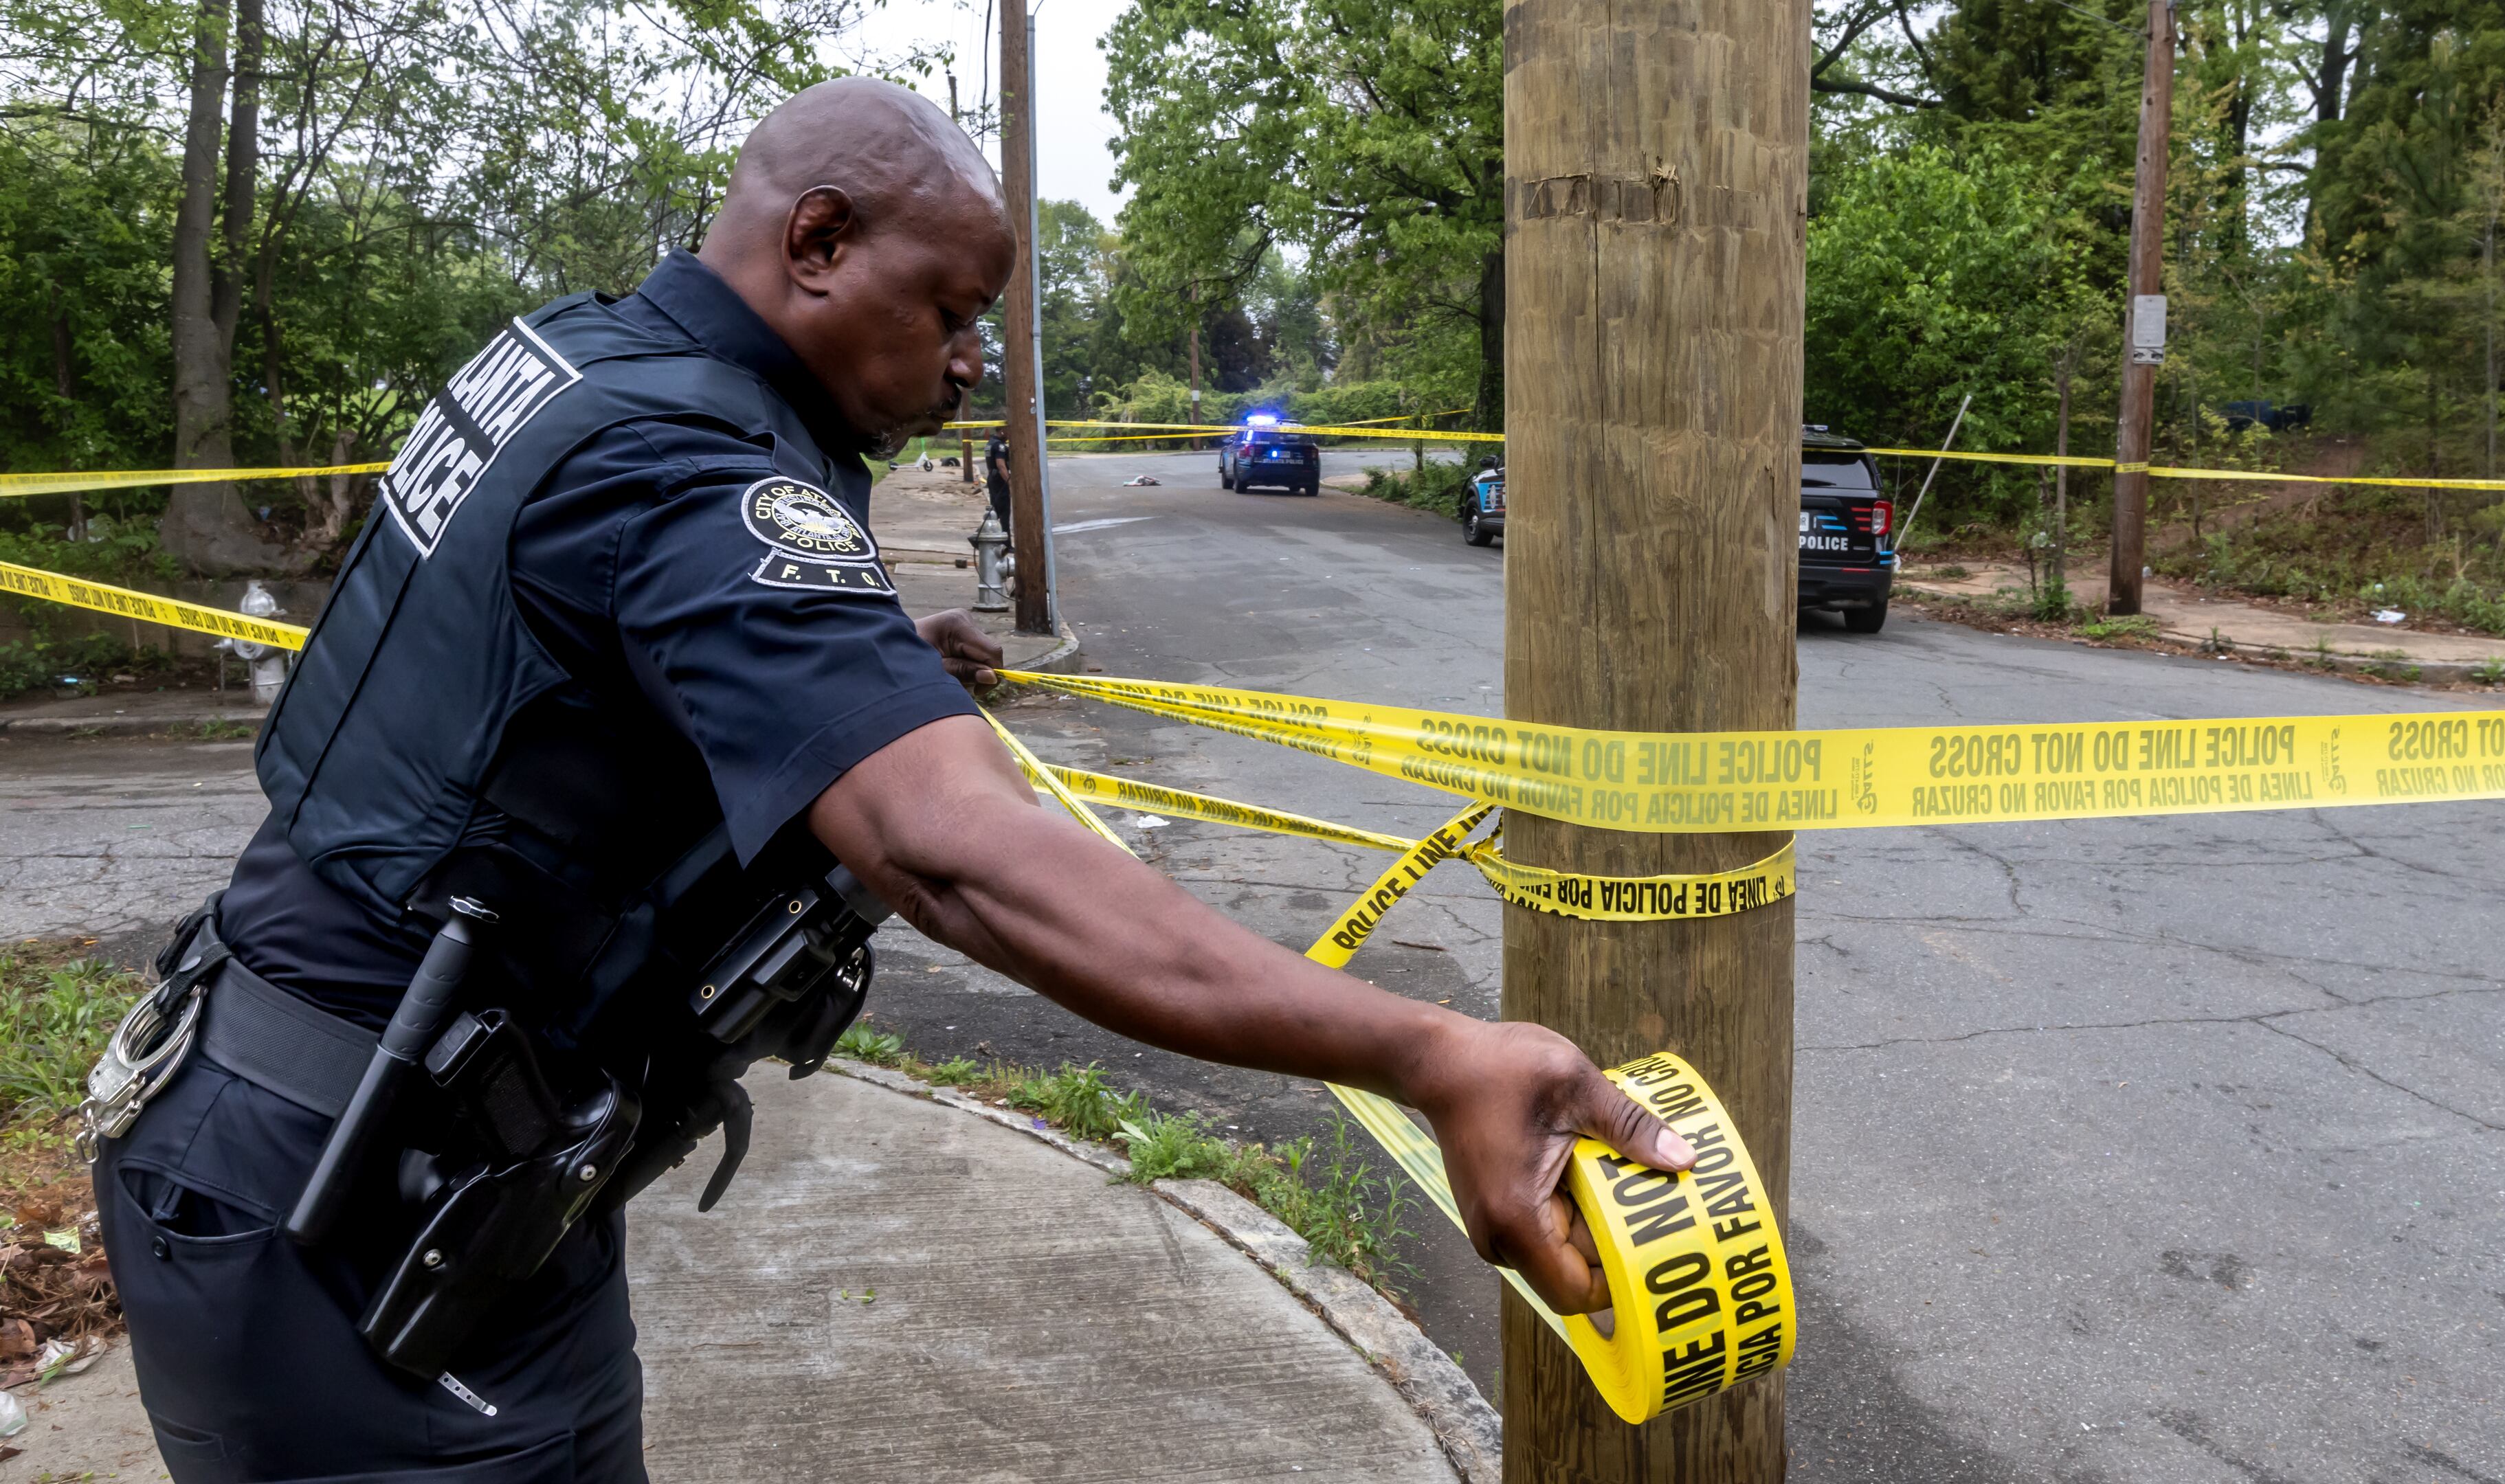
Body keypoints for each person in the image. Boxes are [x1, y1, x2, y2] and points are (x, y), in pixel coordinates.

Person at [91, 78, 1686, 1483]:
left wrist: (855, 655)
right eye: (951, 309)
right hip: (345, 1207)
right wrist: (1425, 1047)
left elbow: (534, 661)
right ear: (819, 240)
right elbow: (956, 856)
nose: (972, 360)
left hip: (424, 1159)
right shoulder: (694, 469)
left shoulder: (574, 360)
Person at [983, 428, 1012, 531]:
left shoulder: (989, 444)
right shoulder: (1000, 446)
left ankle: (994, 537)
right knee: (1004, 514)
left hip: (992, 478)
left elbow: (989, 464)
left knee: (995, 511)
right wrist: (1010, 483)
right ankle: (1006, 544)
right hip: (1000, 481)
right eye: (1009, 431)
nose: (1010, 435)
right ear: (1003, 431)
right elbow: (1001, 466)